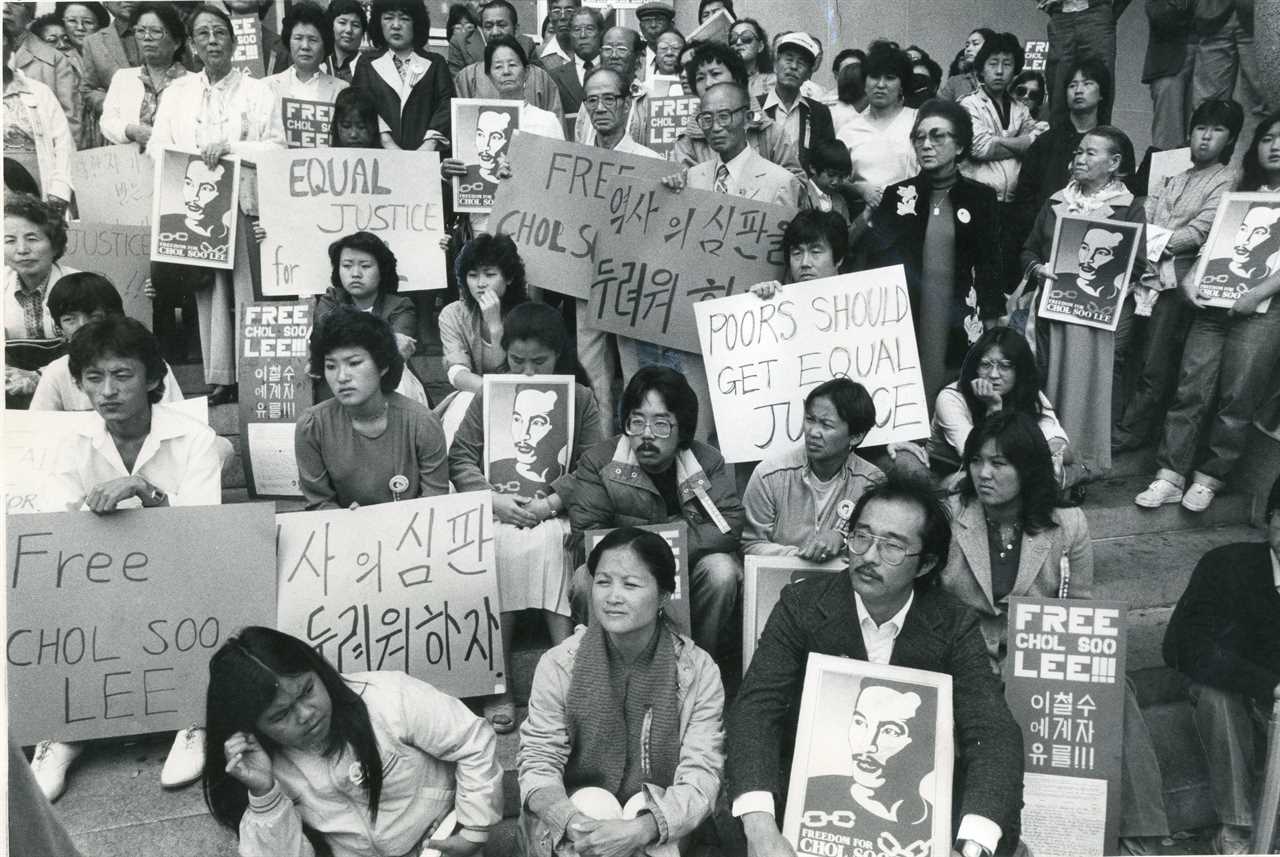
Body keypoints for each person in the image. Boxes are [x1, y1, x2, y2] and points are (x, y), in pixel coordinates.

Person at [724, 474, 1025, 857]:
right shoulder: (801, 605)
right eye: (861, 537)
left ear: (926, 564)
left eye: (892, 547)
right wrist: (761, 827)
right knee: (743, 818)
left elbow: (991, 730)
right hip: (814, 793)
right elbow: (756, 707)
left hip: (912, 801)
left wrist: (971, 847)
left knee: (993, 832)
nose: (868, 556)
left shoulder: (954, 624)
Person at [940, 410, 1170, 853]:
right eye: (977, 461)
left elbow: (1081, 611)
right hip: (963, 656)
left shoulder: (1068, 525)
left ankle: (1141, 836)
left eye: (1000, 463)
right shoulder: (950, 515)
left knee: (1114, 688)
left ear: (1028, 468)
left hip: (1037, 657)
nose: (984, 474)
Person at [31, 315, 220, 802]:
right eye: (94, 378)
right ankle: (65, 729)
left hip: (182, 573)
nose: (108, 391)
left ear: (153, 378)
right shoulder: (69, 441)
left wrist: (145, 491)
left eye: (122, 375)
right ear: (79, 384)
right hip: (94, 576)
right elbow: (57, 528)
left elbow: (207, 532)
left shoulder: (193, 437)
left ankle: (191, 717)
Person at [203, 626, 503, 857]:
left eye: (307, 690)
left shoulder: (387, 697)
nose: (306, 714)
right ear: (252, 726)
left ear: (318, 671)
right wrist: (263, 793)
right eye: (281, 715)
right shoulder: (258, 764)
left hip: (440, 841)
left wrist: (473, 830)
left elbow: (472, 740)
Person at [518, 527, 725, 857]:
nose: (613, 596)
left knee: (646, 813)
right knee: (592, 804)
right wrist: (574, 823)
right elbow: (539, 762)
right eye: (603, 582)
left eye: (630, 584)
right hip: (575, 810)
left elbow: (701, 773)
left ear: (662, 596)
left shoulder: (698, 671)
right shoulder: (559, 664)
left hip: (658, 813)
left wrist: (641, 829)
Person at [449, 301, 606, 734]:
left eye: (540, 361)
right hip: (499, 510)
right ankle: (498, 681)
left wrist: (552, 503)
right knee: (498, 545)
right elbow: (461, 455)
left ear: (560, 355)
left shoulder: (582, 398)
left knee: (551, 542)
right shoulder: (490, 395)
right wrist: (489, 498)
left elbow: (593, 463)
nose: (529, 371)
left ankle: (565, 669)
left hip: (556, 512)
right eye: (518, 361)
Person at [1135, 113, 1280, 513]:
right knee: (1190, 387)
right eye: (1268, 138)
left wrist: (1259, 293)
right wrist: (1192, 279)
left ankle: (1210, 478)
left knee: (1238, 394)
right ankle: (1169, 474)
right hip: (1211, 305)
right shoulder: (1241, 190)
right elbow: (1212, 244)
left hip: (1264, 311)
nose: (1275, 145)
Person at [148, 2, 286, 404]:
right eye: (203, 34)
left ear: (234, 41)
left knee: (247, 288)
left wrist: (230, 148)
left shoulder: (259, 91)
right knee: (208, 293)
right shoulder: (179, 93)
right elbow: (159, 147)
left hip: (244, 200)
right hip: (196, 201)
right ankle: (221, 377)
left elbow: (277, 148)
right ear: (191, 45)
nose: (212, 41)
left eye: (220, 33)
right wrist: (192, 161)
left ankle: (252, 373)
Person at [559, 367, 745, 662]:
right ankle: (606, 666)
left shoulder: (705, 461)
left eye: (661, 424)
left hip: (685, 571)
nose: (646, 435)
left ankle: (699, 665)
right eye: (636, 422)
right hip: (624, 573)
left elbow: (729, 525)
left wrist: (674, 544)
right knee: (584, 579)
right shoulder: (598, 462)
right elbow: (588, 533)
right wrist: (653, 550)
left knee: (721, 571)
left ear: (682, 428)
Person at [1113, 99, 1243, 453]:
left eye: (1217, 130)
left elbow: (1200, 232)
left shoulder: (1227, 180)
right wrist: (1150, 242)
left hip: (1178, 277)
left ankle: (1131, 433)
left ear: (1230, 140)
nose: (1205, 137)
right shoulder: (1174, 176)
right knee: (1130, 349)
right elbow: (1146, 212)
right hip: (1145, 272)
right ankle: (1117, 423)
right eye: (1201, 128)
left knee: (1155, 360)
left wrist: (1150, 242)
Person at [1162, 474, 1280, 856]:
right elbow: (1182, 645)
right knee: (1215, 695)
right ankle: (1238, 828)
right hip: (1241, 698)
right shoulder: (1228, 564)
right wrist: (1268, 685)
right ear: (1269, 519)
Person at [862, 98, 1003, 402]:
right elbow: (873, 262)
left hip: (958, 314)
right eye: (919, 137)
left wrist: (992, 329)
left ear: (961, 145)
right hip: (905, 313)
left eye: (938, 136)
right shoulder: (897, 195)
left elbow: (991, 267)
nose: (926, 144)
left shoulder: (981, 199)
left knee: (953, 391)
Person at [1022, 126, 1143, 480]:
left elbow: (1137, 263)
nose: (1080, 159)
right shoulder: (1057, 201)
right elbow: (1028, 249)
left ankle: (1073, 469)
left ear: (1114, 162)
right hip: (1046, 310)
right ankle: (1037, 461)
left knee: (1082, 389)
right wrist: (1039, 268)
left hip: (1091, 317)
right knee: (1043, 382)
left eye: (1091, 153)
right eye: (1078, 152)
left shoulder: (1128, 208)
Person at [294, 307, 448, 510]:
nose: (342, 377)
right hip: (345, 535)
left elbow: (435, 502)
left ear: (382, 365)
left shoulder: (422, 423)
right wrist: (349, 521)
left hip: (414, 534)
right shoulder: (312, 426)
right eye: (331, 366)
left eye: (354, 363)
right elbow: (319, 503)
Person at [742, 377, 884, 560]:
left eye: (826, 425)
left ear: (856, 436)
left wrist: (842, 539)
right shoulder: (769, 474)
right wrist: (802, 556)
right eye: (810, 419)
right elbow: (749, 545)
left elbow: (876, 546)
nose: (812, 432)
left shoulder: (871, 482)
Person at [800, 678, 938, 851]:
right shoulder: (810, 794)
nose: (866, 745)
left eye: (890, 731)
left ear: (927, 746)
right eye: (860, 722)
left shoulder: (938, 826)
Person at [961, 32, 1049, 287]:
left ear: (1015, 70)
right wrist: (1025, 141)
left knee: (1008, 275)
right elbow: (981, 148)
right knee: (980, 274)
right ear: (981, 68)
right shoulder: (969, 104)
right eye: (992, 63)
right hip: (979, 201)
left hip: (1014, 206)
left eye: (1007, 64)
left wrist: (1000, 140)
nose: (999, 71)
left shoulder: (1021, 109)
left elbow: (1038, 143)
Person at [32, 272, 185, 411]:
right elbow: (39, 430)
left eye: (94, 317)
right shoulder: (57, 372)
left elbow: (176, 421)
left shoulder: (150, 363)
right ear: (60, 327)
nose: (82, 326)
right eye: (69, 320)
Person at [929, 327, 1070, 477]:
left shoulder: (1028, 393)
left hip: (1009, 474)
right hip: (950, 474)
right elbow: (979, 456)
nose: (994, 375)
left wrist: (1030, 456)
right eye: (985, 365)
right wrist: (994, 408)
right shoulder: (951, 397)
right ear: (975, 367)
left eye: (1005, 366)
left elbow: (1063, 448)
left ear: (1020, 370)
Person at [313, 231, 426, 405]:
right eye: (347, 265)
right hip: (336, 388)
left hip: (389, 384)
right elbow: (324, 339)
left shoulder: (401, 306)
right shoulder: (331, 299)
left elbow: (393, 351)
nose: (355, 273)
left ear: (382, 270)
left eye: (365, 266)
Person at [1011, 57, 1110, 248]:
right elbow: (1025, 196)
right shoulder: (1046, 142)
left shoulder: (1113, 143)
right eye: (1072, 85)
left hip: (1095, 241)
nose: (1078, 90)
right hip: (1044, 240)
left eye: (1087, 84)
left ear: (1101, 93)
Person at [670, 40, 803, 179]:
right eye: (700, 78)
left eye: (715, 73)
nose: (708, 83)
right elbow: (683, 192)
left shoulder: (770, 132)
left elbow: (796, 184)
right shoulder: (687, 143)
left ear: (737, 77)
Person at [436, 233, 528, 433]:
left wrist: (495, 326)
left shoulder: (528, 314)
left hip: (521, 396)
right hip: (474, 393)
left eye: (490, 274)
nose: (480, 283)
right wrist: (490, 391)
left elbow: (519, 374)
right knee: (464, 404)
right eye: (473, 275)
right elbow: (457, 373)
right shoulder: (453, 314)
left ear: (509, 277)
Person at [351, 0, 453, 151]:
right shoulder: (366, 63)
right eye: (388, 18)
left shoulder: (436, 63)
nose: (396, 25)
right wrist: (387, 141)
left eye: (404, 18)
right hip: (379, 157)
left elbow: (446, 105)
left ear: (416, 23)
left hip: (427, 158)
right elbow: (360, 104)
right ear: (379, 22)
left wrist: (429, 144)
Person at [837, 43, 919, 212]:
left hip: (912, 214)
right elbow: (836, 178)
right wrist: (860, 188)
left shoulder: (917, 121)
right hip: (863, 218)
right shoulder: (849, 130)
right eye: (874, 77)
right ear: (865, 82)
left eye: (890, 78)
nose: (881, 85)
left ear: (902, 85)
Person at [99, 3, 188, 148]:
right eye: (140, 31)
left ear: (176, 42)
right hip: (132, 164)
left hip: (176, 164)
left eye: (156, 31)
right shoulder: (123, 78)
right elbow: (107, 122)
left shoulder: (193, 82)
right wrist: (130, 131)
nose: (147, 37)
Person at [451, 3, 563, 117]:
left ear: (516, 29)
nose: (495, 32)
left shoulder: (540, 77)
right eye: (488, 26)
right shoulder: (468, 77)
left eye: (502, 25)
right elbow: (462, 125)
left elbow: (556, 125)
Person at [1, 37, 74, 208]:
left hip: (37, 191)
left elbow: (64, 144)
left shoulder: (39, 92)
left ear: (10, 48)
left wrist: (59, 191)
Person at [3, 1, 81, 145]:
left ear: (30, 16)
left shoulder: (54, 60)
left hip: (35, 155)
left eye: (15, 2)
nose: (6, 8)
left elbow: (69, 122)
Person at [4, 193, 77, 346]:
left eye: (32, 239)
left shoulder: (82, 286)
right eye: (9, 240)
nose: (22, 250)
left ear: (56, 244)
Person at [1040, 0, 1127, 127]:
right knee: (1058, 90)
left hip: (1096, 12)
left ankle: (1099, 142)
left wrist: (1108, 14)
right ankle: (1059, 143)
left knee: (1099, 85)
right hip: (1061, 16)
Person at [760, 31, 834, 174]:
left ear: (808, 74)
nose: (793, 66)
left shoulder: (819, 113)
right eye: (788, 59)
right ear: (775, 64)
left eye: (801, 62)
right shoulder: (755, 107)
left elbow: (825, 162)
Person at [265, 1, 349, 125]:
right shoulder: (267, 87)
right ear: (289, 41)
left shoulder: (341, 90)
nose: (305, 46)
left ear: (325, 44)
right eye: (298, 38)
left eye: (313, 40)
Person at [572, 26, 652, 148]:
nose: (614, 55)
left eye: (621, 49)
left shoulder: (648, 99)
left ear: (637, 55)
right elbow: (580, 140)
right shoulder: (590, 98)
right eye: (607, 49)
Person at [80, 1, 141, 145]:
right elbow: (88, 89)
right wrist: (117, 105)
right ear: (105, 2)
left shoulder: (167, 34)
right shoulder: (93, 42)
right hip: (118, 134)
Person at [1144, 0, 1195, 151]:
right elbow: (1160, 15)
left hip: (1215, 50)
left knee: (1208, 132)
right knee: (1168, 140)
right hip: (1169, 56)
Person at [547, 6, 604, 138]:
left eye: (589, 29)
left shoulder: (614, 73)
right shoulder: (553, 76)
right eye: (577, 30)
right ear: (570, 34)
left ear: (600, 32)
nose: (583, 35)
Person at [940, 28, 993, 103]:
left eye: (975, 44)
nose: (968, 49)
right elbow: (940, 110)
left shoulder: (1001, 79)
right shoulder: (955, 82)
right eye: (967, 45)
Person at [728, 18, 772, 101]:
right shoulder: (724, 81)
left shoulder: (773, 81)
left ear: (760, 46)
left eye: (746, 37)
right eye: (733, 39)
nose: (738, 42)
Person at [324, 0, 366, 83]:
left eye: (355, 25)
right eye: (342, 23)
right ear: (331, 26)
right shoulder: (321, 65)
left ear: (362, 33)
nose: (349, 30)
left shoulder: (370, 68)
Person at [828, 48, 868, 132]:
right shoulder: (826, 107)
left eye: (857, 68)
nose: (852, 72)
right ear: (836, 74)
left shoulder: (874, 108)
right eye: (847, 68)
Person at [538, 0, 582, 71]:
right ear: (550, 16)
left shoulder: (590, 51)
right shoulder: (538, 54)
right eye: (556, 11)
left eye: (569, 11)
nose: (563, 16)